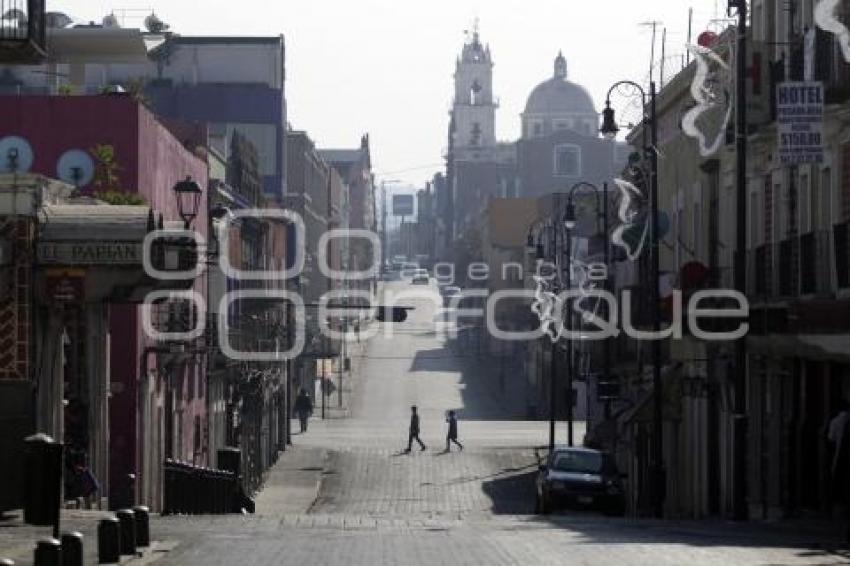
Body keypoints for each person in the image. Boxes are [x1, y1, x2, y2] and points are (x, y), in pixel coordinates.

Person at [827, 400, 850, 541]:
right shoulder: (845, 422)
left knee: (839, 497)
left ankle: (839, 529)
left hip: (840, 463)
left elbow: (831, 439)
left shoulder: (836, 421)